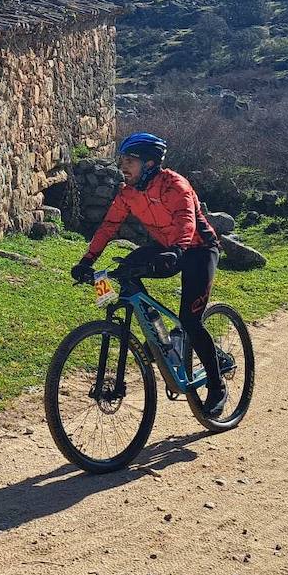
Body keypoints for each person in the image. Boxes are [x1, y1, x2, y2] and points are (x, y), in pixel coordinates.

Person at [70, 132, 226, 417]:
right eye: (121, 160)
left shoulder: (174, 185)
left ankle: (217, 385)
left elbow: (186, 221)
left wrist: (177, 250)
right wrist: (87, 260)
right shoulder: (128, 192)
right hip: (166, 247)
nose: (123, 166)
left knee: (191, 321)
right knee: (125, 272)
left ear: (151, 163)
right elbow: (109, 226)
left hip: (198, 249)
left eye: (130, 160)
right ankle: (159, 336)